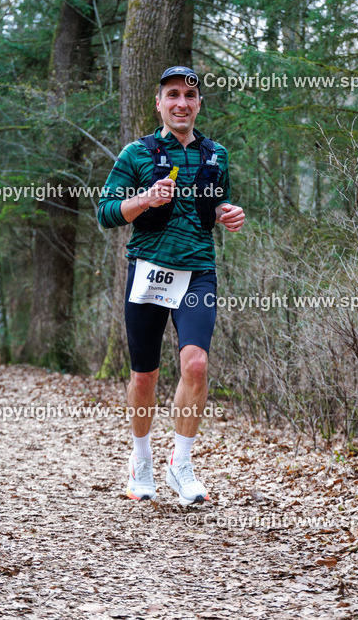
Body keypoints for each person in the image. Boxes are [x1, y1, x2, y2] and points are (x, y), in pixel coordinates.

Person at [97, 66, 246, 505]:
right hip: (148, 270)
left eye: (190, 96)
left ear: (199, 104)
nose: (182, 102)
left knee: (196, 364)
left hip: (198, 270)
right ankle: (140, 460)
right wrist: (145, 199)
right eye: (173, 95)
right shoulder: (136, 153)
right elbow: (105, 213)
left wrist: (227, 213)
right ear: (159, 104)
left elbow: (218, 203)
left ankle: (180, 464)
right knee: (145, 375)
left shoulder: (216, 155)